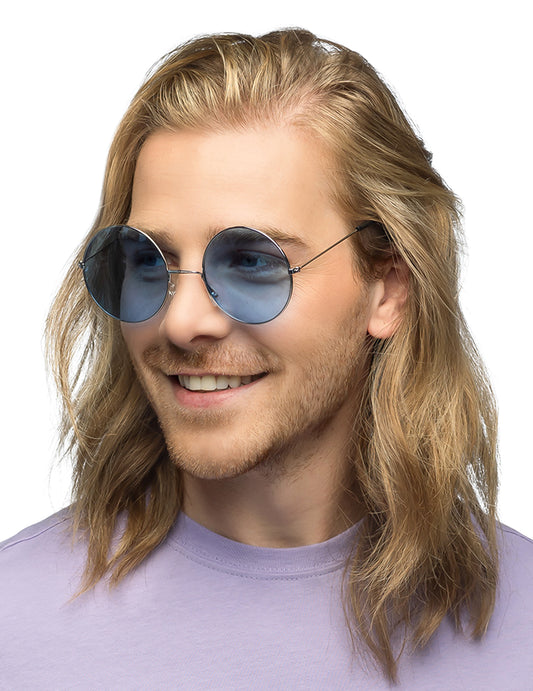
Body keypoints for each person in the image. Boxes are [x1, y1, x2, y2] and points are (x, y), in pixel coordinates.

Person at [1, 29, 531, 689]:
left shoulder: (520, 629)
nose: (182, 320)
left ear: (387, 289)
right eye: (150, 260)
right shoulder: (15, 627)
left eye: (252, 261)